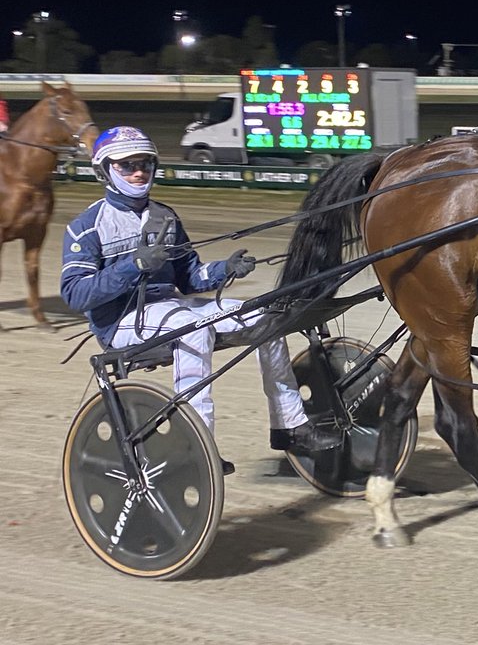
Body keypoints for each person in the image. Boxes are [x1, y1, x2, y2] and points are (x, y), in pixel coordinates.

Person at [61, 126, 340, 473]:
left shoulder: (165, 216)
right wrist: (132, 266)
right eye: (127, 165)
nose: (139, 172)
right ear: (104, 170)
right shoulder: (86, 226)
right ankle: (198, 442)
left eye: (145, 164)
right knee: (194, 325)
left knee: (266, 315)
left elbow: (189, 277)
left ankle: (290, 425)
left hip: (171, 308)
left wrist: (226, 269)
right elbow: (74, 293)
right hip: (119, 322)